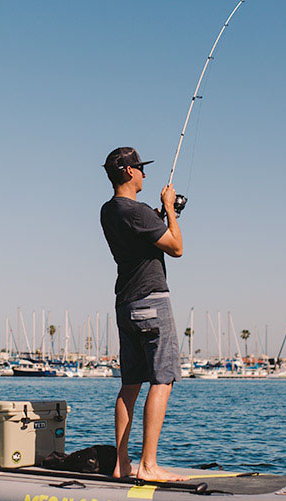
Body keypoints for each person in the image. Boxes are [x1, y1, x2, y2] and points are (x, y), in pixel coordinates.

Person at [99, 147, 186, 481]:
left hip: (126, 303)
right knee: (162, 380)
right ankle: (148, 465)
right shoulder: (138, 212)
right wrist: (169, 211)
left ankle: (122, 464)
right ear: (129, 172)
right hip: (152, 301)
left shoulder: (109, 210)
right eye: (141, 168)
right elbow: (176, 248)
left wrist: (159, 216)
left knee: (130, 384)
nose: (145, 175)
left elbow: (142, 235)